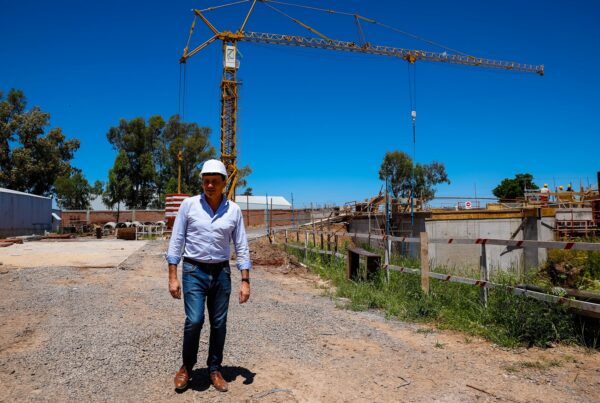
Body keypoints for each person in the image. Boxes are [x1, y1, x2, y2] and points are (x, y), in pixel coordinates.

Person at [166, 159, 251, 392]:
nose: (210, 186)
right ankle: (186, 367)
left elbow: (241, 246)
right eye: (206, 181)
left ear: (224, 183)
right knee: (194, 320)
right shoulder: (189, 205)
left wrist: (245, 280)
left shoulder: (234, 210)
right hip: (194, 271)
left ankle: (214, 369)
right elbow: (176, 240)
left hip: (221, 272)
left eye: (214, 181)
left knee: (219, 323)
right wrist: (173, 276)